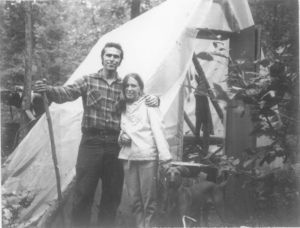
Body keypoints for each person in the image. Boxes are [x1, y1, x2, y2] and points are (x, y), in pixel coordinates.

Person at [34, 42, 159, 228]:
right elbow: (65, 93)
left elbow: (142, 99)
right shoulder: (88, 80)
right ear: (102, 58)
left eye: (116, 56)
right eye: (108, 55)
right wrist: (48, 90)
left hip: (116, 145)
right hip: (91, 143)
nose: (111, 59)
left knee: (112, 195)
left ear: (120, 60)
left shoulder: (125, 85)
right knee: (83, 193)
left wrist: (156, 99)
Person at [117, 73, 172, 228]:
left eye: (133, 85)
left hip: (147, 158)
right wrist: (121, 138)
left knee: (149, 201)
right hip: (128, 158)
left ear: (140, 88)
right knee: (134, 201)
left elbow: (158, 131)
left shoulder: (149, 104)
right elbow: (122, 130)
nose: (129, 88)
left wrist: (165, 158)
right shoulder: (122, 106)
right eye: (127, 85)